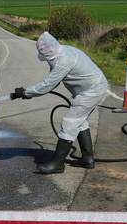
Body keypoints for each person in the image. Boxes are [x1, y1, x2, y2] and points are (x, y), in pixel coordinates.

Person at [10, 31, 109, 174]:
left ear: (50, 50)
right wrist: (29, 93)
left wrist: (26, 92)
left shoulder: (64, 60)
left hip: (92, 90)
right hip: (91, 88)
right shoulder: (61, 50)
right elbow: (53, 80)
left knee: (70, 121)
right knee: (79, 121)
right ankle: (87, 159)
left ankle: (57, 164)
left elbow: (47, 85)